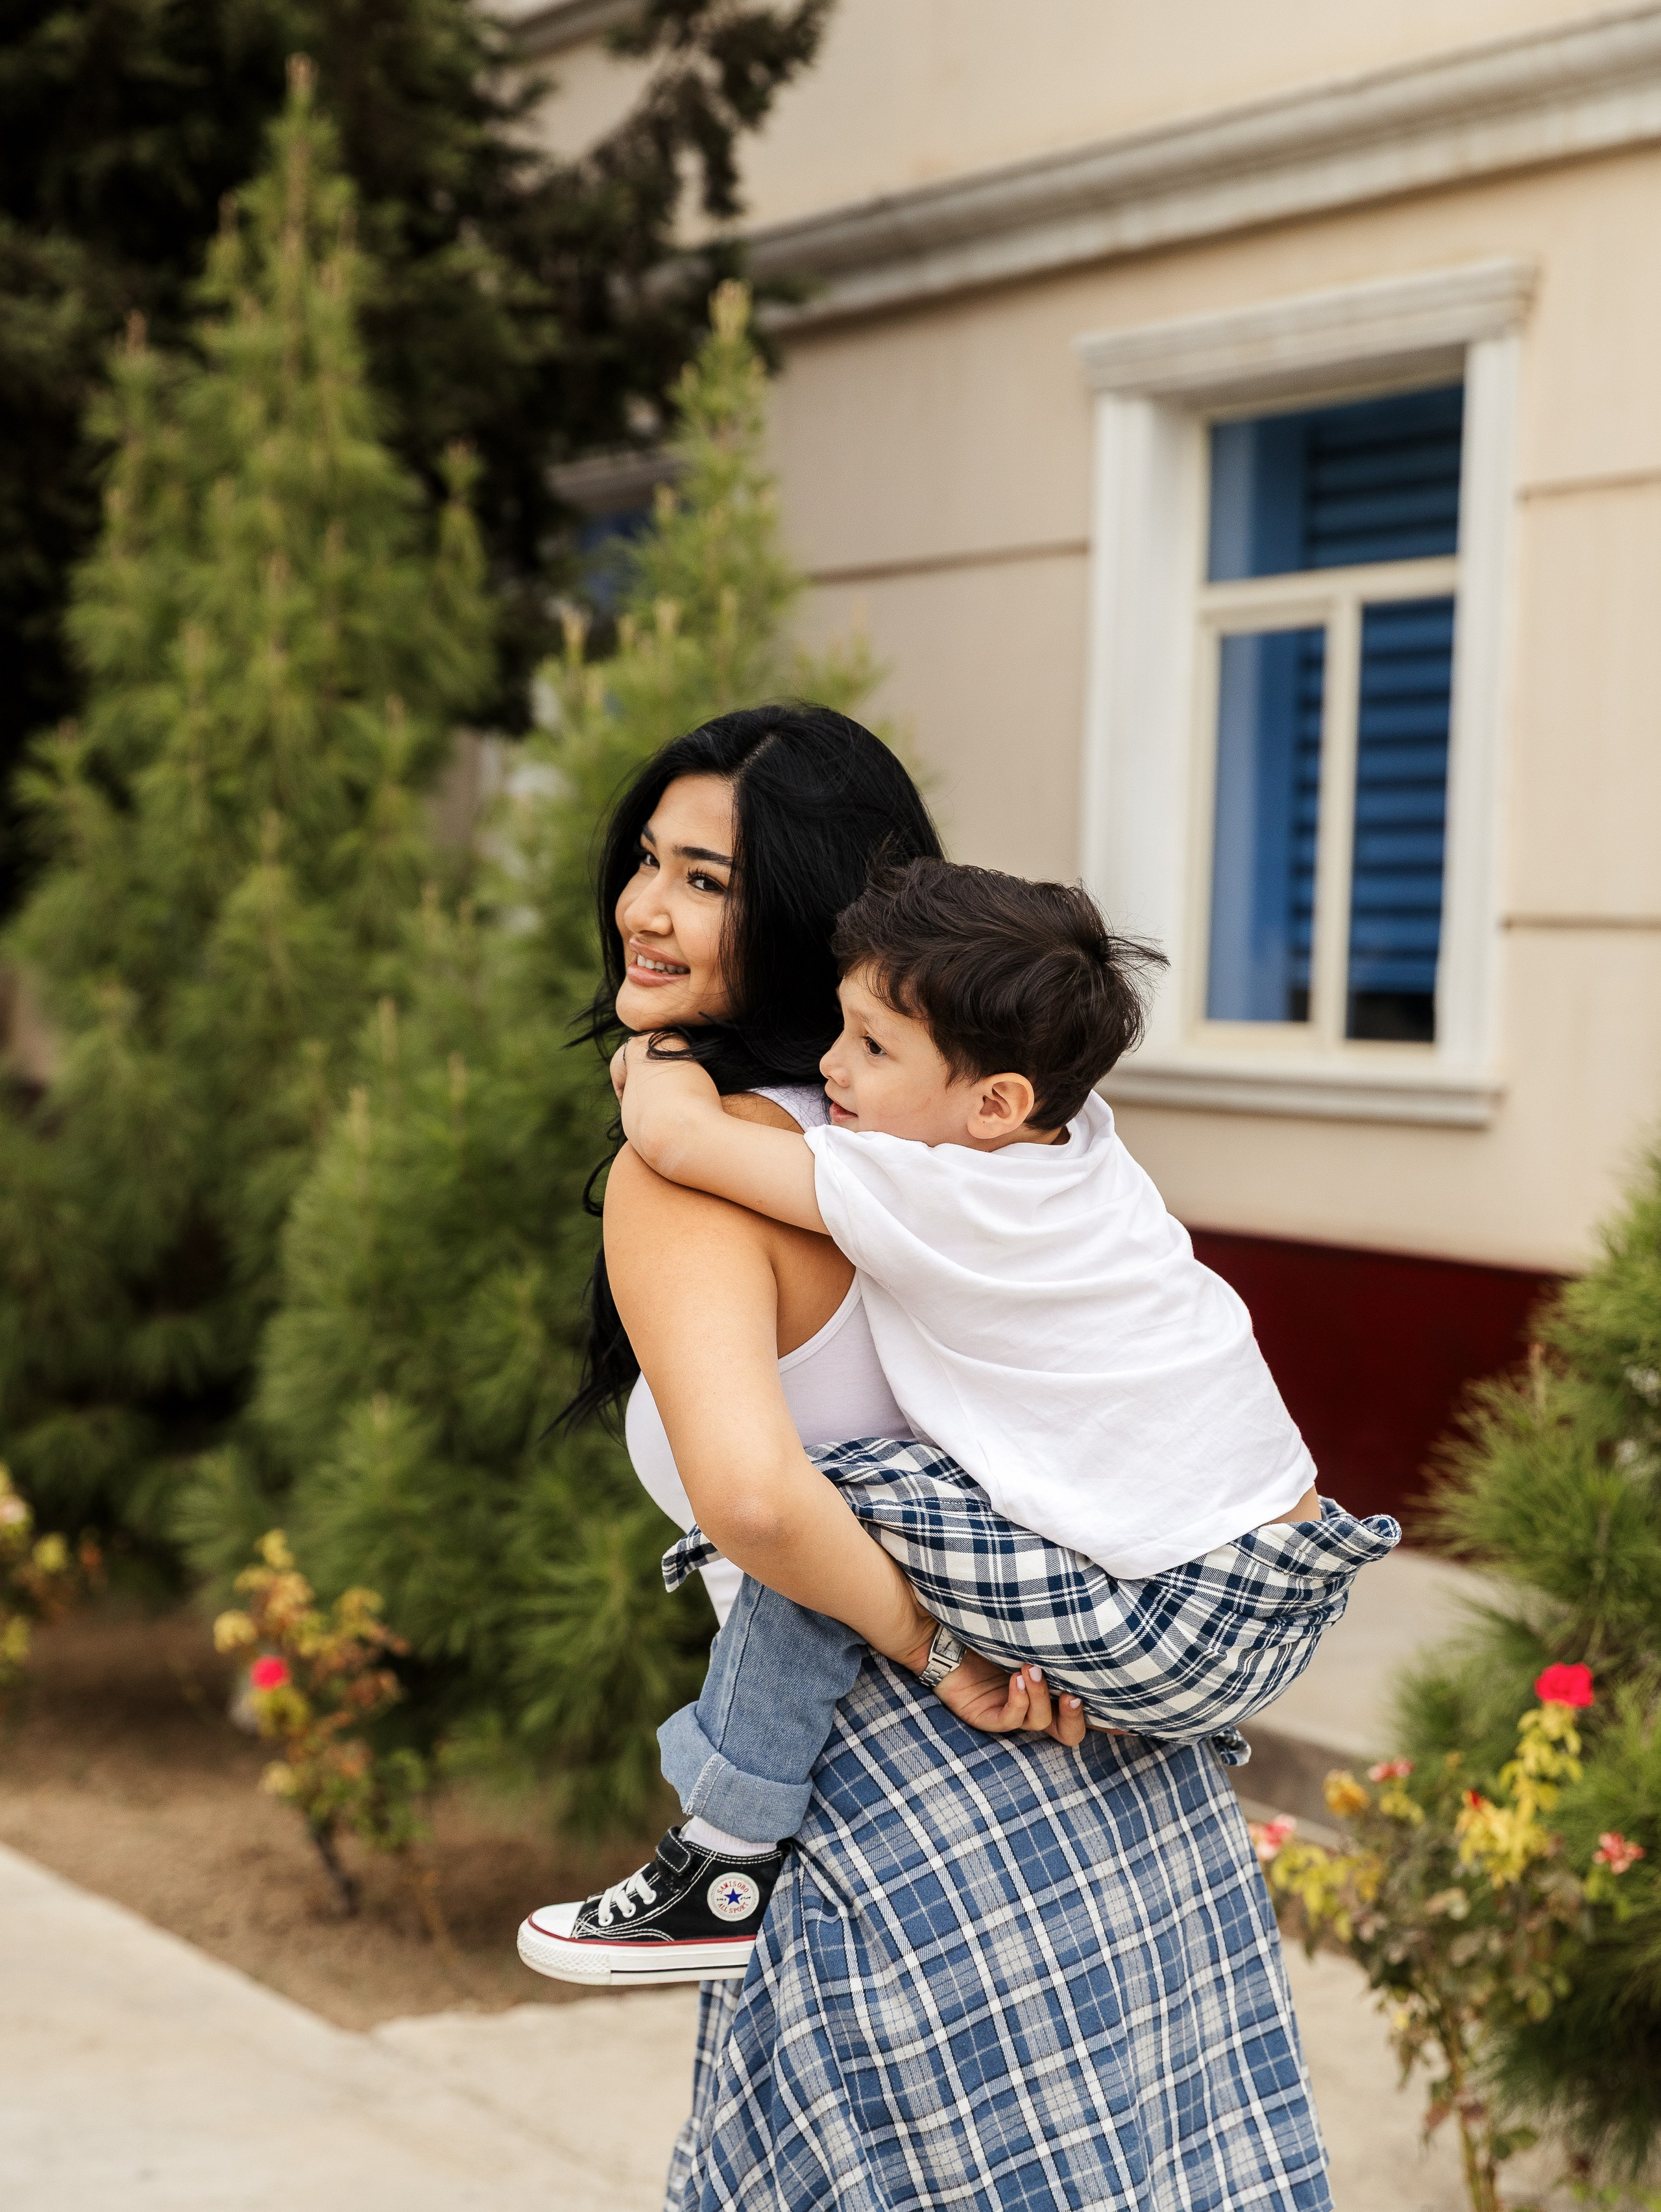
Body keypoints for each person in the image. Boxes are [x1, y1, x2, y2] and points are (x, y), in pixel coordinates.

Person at [520, 704, 1331, 2211]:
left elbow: (760, 1500)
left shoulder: (707, 1169)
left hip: (906, 1825)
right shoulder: (973, 1141)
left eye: (705, 877)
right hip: (1135, 1813)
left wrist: (934, 1635)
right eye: (647, 859)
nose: (644, 906)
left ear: (807, 910)